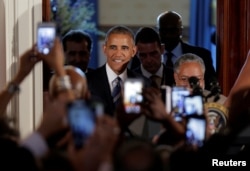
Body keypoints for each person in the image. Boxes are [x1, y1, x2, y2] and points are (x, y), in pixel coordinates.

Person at [157, 10, 217, 90]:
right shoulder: (148, 55)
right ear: (158, 31)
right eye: (164, 31)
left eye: (172, 30)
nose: (168, 35)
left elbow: (210, 86)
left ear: (180, 31)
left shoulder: (202, 55)